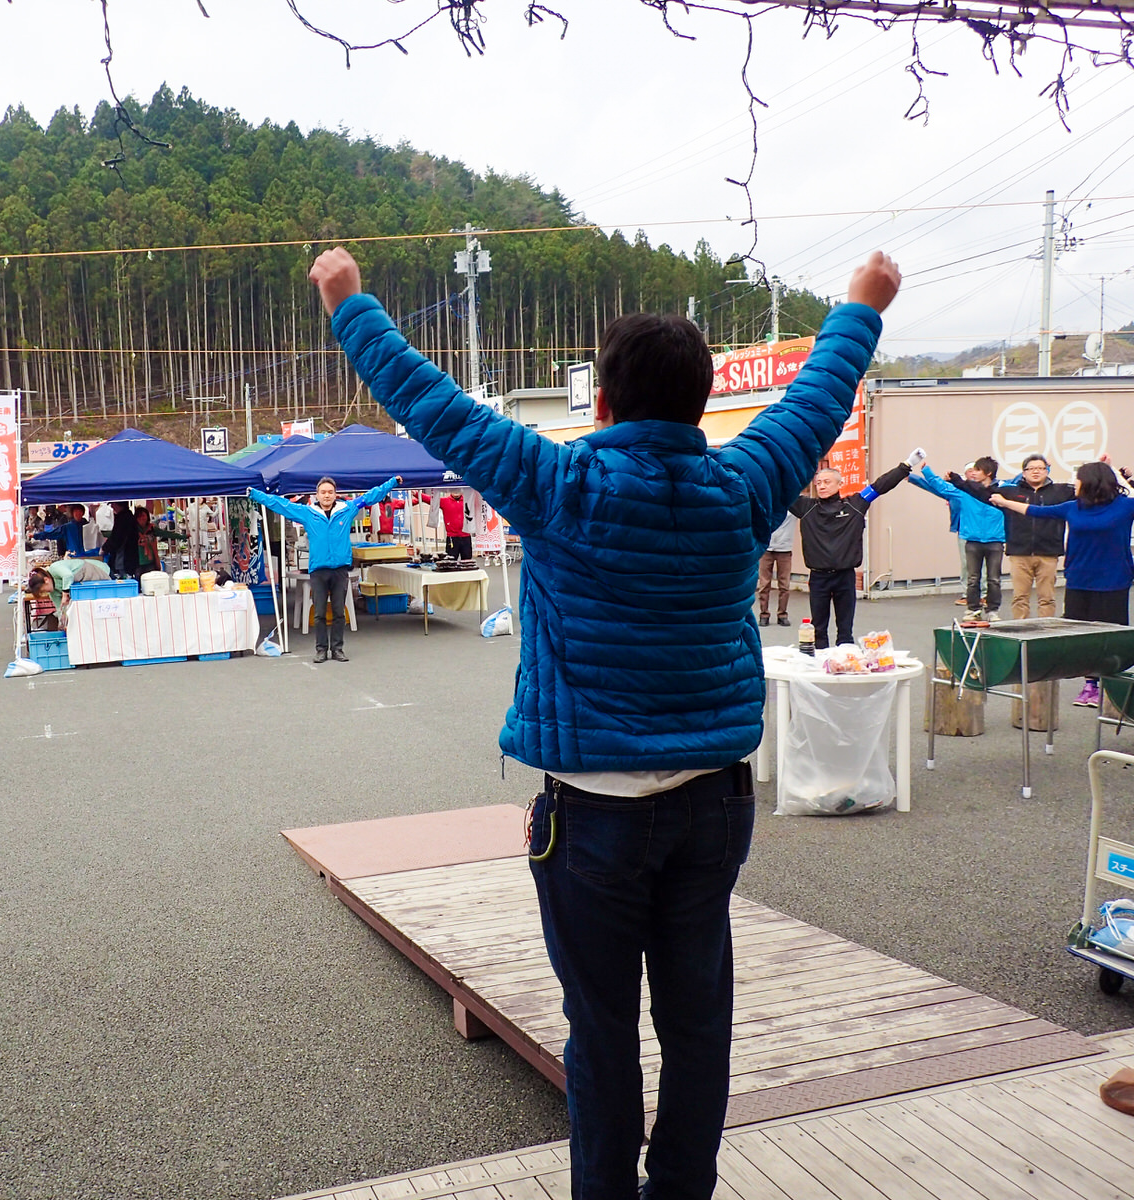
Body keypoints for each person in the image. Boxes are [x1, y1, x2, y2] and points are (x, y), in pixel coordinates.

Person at [310, 242, 902, 1200]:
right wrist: (862, 307)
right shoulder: (743, 485)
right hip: (713, 808)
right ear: (701, 402)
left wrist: (350, 304)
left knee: (602, 1031)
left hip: (593, 818)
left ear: (603, 404)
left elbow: (434, 405)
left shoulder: (559, 484)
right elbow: (815, 401)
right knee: (699, 1022)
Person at [992, 461, 1134, 708]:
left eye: (1078, 479)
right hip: (1079, 579)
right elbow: (1034, 511)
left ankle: (1114, 685)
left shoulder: (1125, 506)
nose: (1074, 483)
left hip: (1114, 580)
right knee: (1082, 633)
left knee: (1113, 635)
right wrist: (1004, 502)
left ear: (1090, 482)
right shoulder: (1073, 507)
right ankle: (1090, 684)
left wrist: (1128, 478)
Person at [249, 474, 400, 662]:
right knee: (319, 613)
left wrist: (392, 483)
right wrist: (256, 495)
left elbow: (371, 496)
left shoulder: (348, 508)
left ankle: (337, 649)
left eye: (330, 492)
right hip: (318, 571)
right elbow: (281, 504)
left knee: (338, 612)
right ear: (317, 494)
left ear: (336, 494)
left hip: (340, 570)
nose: (327, 495)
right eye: (323, 492)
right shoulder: (307, 513)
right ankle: (321, 649)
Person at [790, 457, 915, 649]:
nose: (822, 486)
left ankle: (844, 665)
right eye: (818, 483)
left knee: (845, 630)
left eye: (827, 482)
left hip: (845, 576)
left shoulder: (855, 504)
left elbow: (880, 486)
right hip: (818, 577)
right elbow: (780, 492)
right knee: (818, 630)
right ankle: (820, 670)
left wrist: (905, 466)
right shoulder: (806, 508)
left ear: (840, 484)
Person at [951, 454, 1074, 618]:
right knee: (1020, 598)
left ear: (1047, 471)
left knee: (1047, 599)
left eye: (1040, 468)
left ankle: (1046, 634)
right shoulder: (1010, 492)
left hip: (1048, 553)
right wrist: (957, 481)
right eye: (1031, 468)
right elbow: (981, 492)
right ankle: (1022, 633)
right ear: (1023, 472)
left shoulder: (1061, 491)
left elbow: (1087, 492)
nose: (1036, 472)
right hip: (1019, 553)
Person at [907, 456, 1006, 621]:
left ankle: (992, 611)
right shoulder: (963, 491)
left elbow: (1023, 485)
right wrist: (926, 471)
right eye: (971, 471)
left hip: (995, 539)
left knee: (994, 579)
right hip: (972, 539)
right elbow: (940, 487)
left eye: (977, 470)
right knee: (973, 577)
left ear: (988, 473)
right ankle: (973, 609)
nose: (972, 474)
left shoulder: (1003, 490)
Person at [755, 512, 796, 627]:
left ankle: (782, 615)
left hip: (785, 549)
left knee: (784, 585)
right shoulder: (768, 504)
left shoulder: (792, 507)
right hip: (766, 549)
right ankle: (764, 615)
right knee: (764, 584)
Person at [133, 506, 184, 576]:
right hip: (137, 563)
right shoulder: (133, 530)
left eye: (143, 516)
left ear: (147, 517)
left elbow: (166, 534)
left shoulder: (152, 528)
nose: (141, 518)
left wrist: (182, 536)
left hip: (150, 562)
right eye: (139, 516)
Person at [438, 490, 472, 559]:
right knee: (450, 561)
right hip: (452, 537)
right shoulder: (444, 501)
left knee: (467, 562)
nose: (456, 491)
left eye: (458, 489)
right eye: (453, 489)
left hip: (466, 536)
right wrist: (417, 494)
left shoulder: (468, 501)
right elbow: (431, 500)